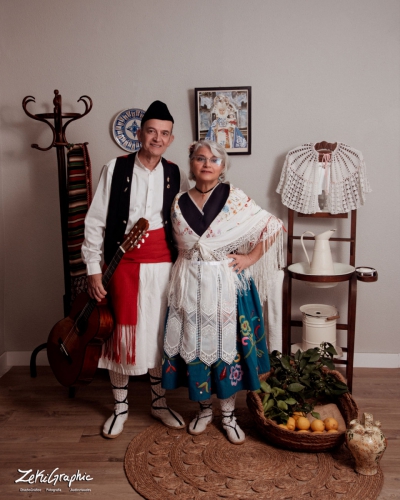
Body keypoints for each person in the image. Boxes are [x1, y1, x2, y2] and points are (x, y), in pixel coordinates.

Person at [162, 140, 284, 444]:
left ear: (223, 167)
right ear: (191, 163)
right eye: (200, 158)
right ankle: (204, 410)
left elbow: (271, 226)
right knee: (196, 343)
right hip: (188, 282)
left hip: (225, 285)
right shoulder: (177, 202)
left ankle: (228, 415)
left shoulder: (235, 198)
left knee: (224, 347)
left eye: (214, 159)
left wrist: (250, 258)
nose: (207, 164)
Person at [82, 100, 190, 438]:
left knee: (158, 334)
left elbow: (180, 222)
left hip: (163, 263)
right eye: (151, 131)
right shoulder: (115, 168)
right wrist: (92, 269)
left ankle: (158, 403)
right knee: (121, 333)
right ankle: (120, 407)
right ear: (140, 134)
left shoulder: (174, 173)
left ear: (171, 139)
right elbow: (95, 220)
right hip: (122, 263)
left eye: (164, 134)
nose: (157, 138)